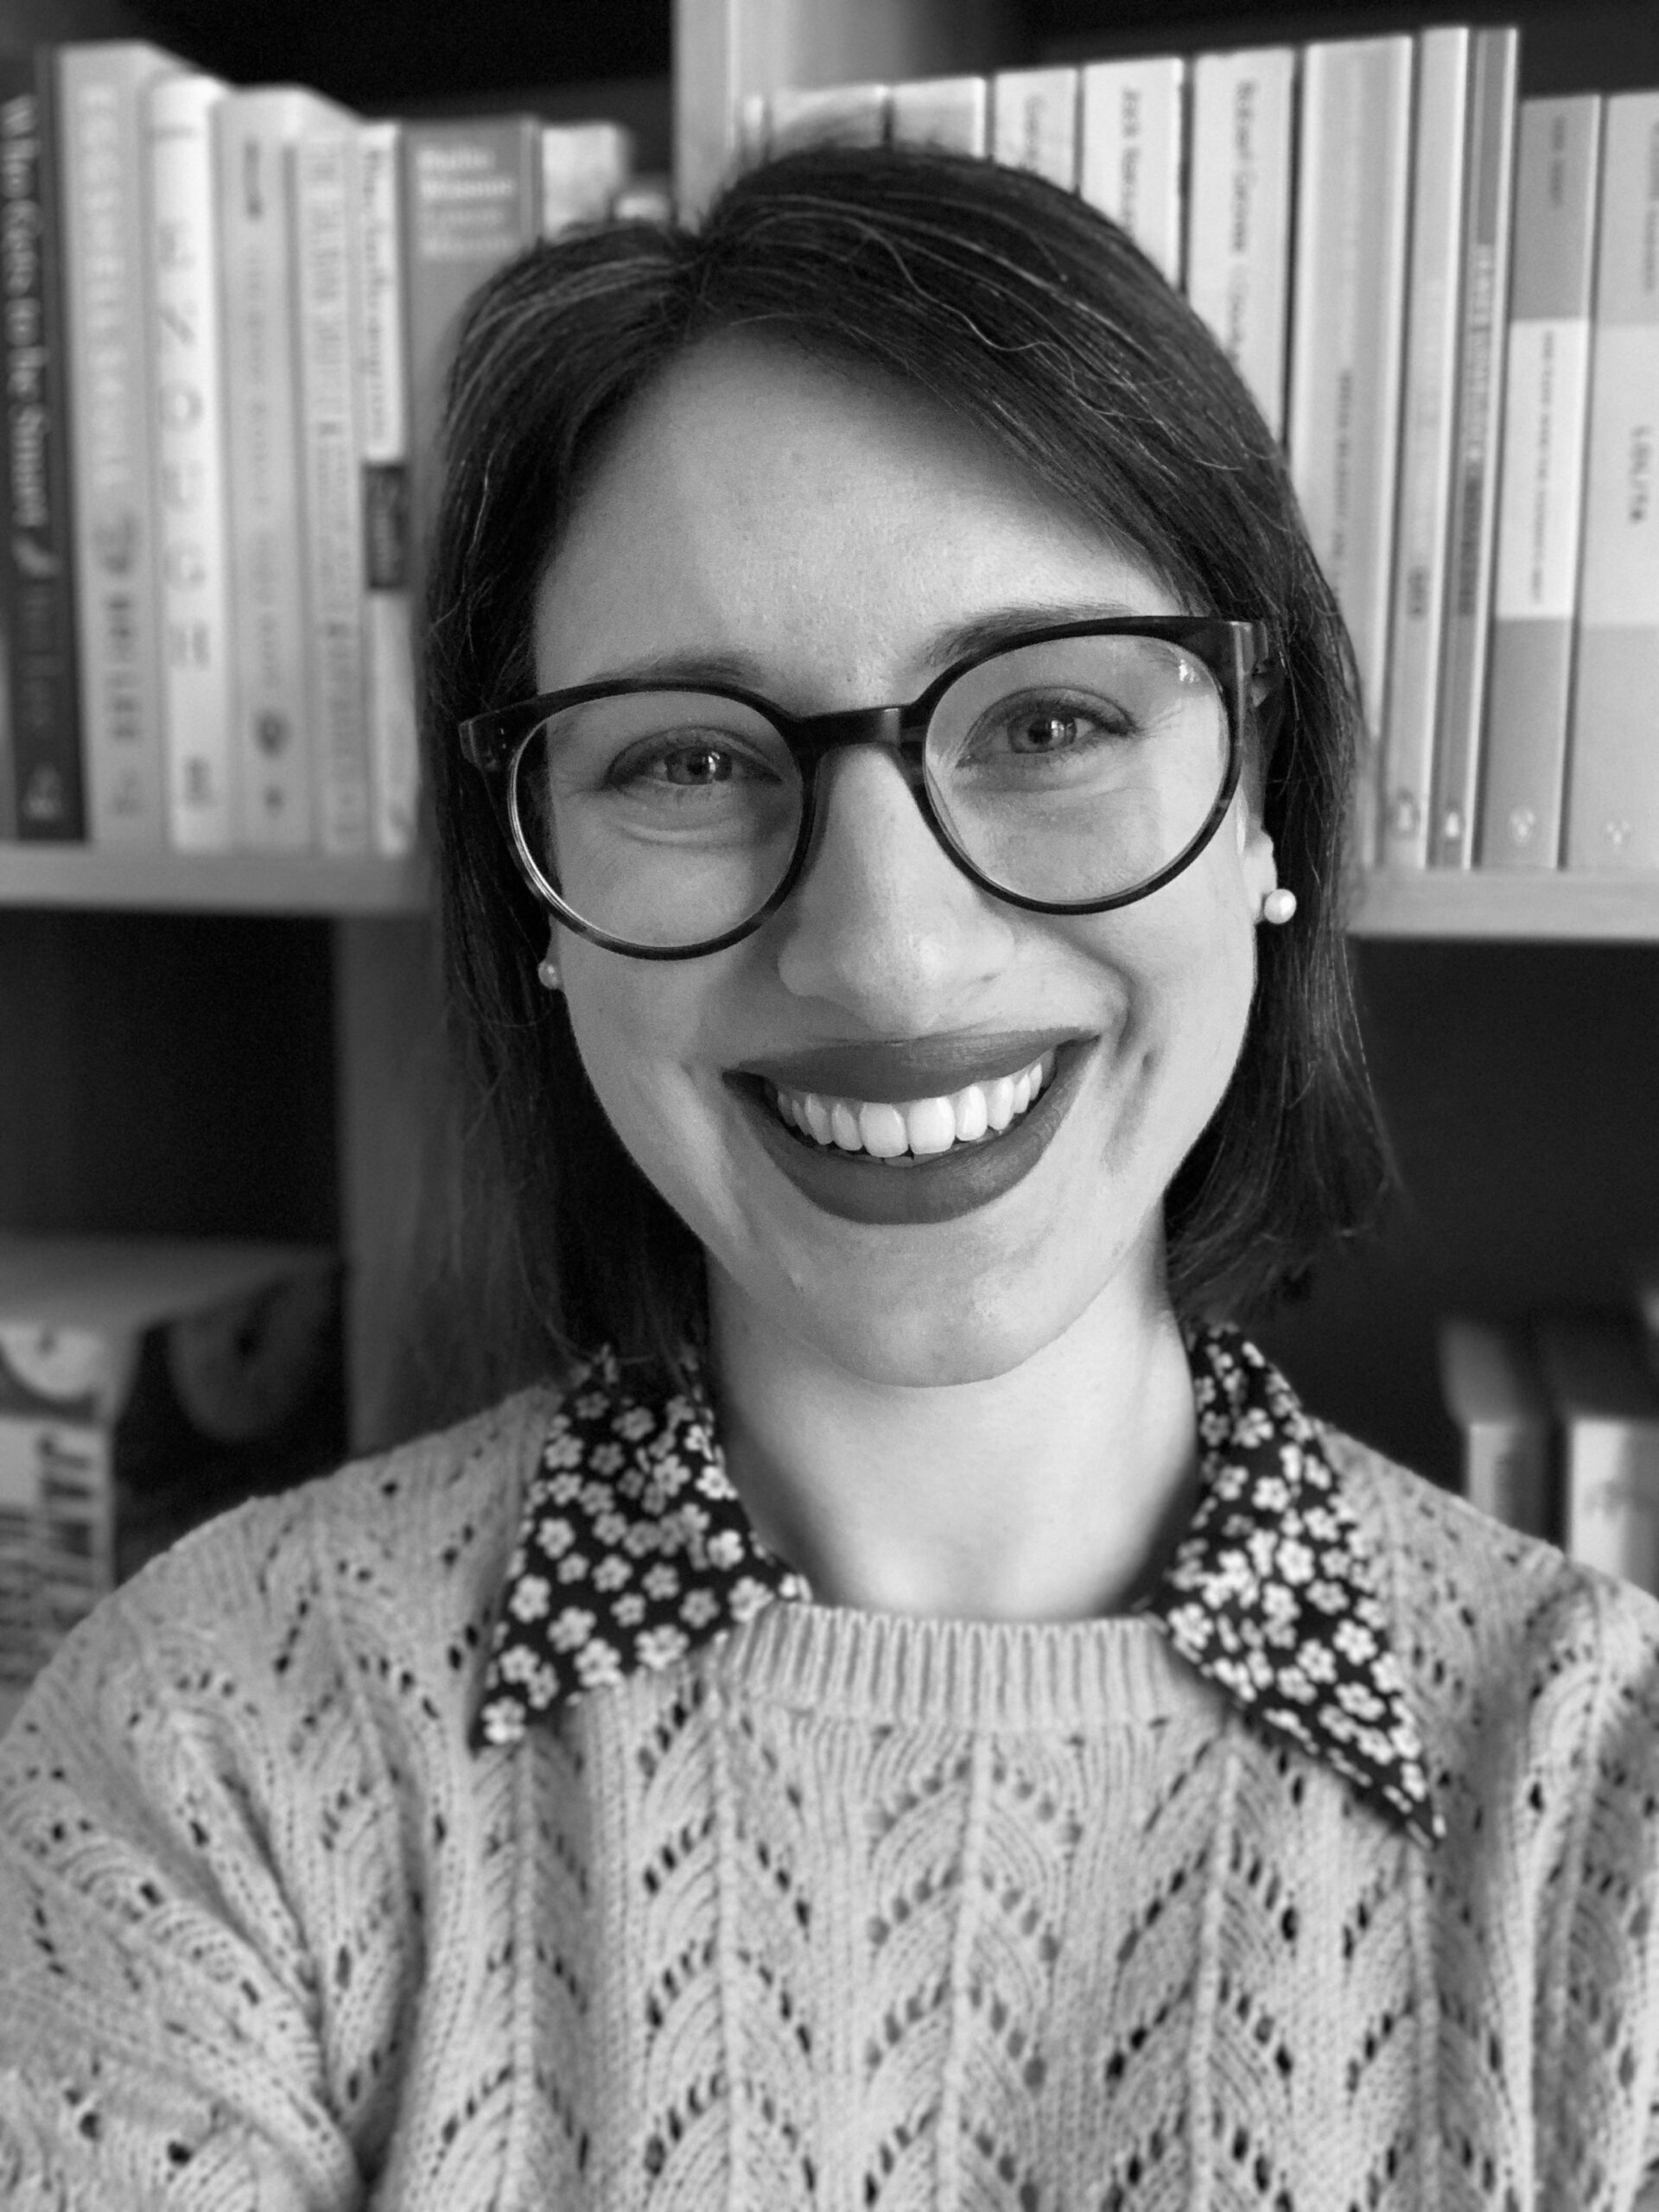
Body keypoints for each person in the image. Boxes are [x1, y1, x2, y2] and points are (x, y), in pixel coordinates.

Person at [4, 141, 1659, 2210]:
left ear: (1266, 804)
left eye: (1051, 717)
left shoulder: (1611, 1815)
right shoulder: (210, 1756)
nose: (885, 949)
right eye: (687, 759)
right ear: (541, 897)